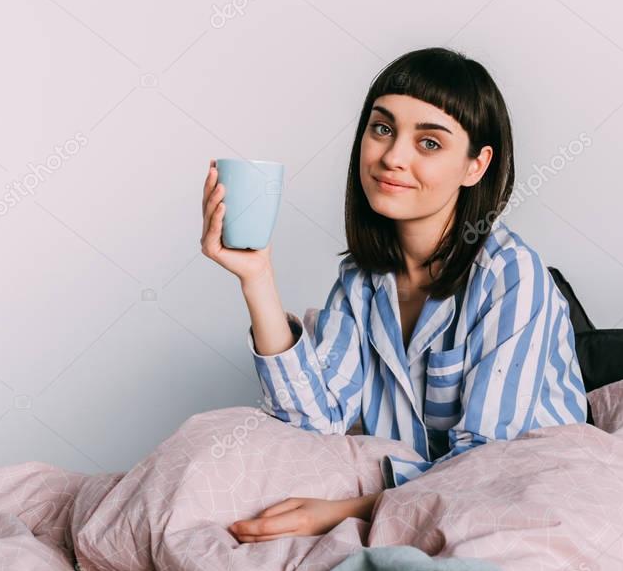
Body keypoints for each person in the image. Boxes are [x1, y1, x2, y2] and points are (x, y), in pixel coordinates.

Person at [199, 47, 588, 543]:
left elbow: (488, 466)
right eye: (382, 129)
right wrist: (256, 279)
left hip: (527, 502)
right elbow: (312, 423)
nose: (392, 156)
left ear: (476, 165)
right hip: (423, 504)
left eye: (428, 142)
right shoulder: (361, 282)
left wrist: (342, 512)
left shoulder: (511, 275)